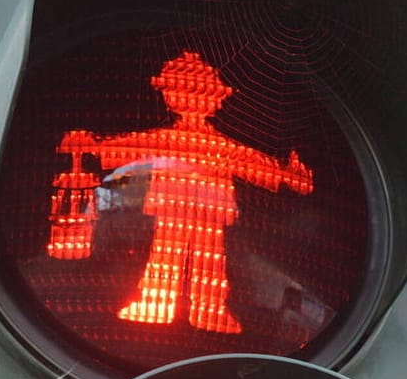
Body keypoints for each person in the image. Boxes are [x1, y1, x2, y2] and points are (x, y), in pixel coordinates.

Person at [56, 51, 314, 334]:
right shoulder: (172, 139)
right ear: (169, 95)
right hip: (172, 208)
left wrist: (287, 175)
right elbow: (134, 146)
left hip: (208, 211)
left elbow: (250, 162)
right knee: (166, 257)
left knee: (209, 261)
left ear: (217, 99)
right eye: (178, 91)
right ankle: (155, 303)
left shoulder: (217, 145)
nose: (189, 99)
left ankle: (210, 311)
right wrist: (95, 145)